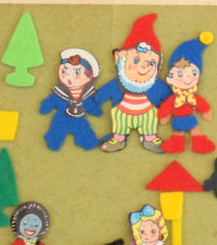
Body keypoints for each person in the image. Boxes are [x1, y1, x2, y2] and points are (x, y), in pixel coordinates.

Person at [97, 14, 170, 153]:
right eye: (136, 60)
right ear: (119, 57)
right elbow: (102, 94)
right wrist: (96, 100)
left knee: (150, 117)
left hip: (146, 113)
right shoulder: (118, 83)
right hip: (123, 112)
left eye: (151, 63)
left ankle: (149, 138)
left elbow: (168, 97)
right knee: (119, 118)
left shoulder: (156, 85)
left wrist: (173, 104)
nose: (144, 66)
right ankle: (118, 138)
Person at [39, 49, 102, 151]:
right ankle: (52, 140)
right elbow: (52, 100)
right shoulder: (60, 92)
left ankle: (88, 141)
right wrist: (45, 107)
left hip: (79, 118)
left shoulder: (86, 95)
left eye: (77, 72)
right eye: (64, 71)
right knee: (56, 130)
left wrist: (96, 110)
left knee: (84, 130)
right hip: (61, 117)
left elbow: (90, 104)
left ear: (89, 76)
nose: (69, 76)